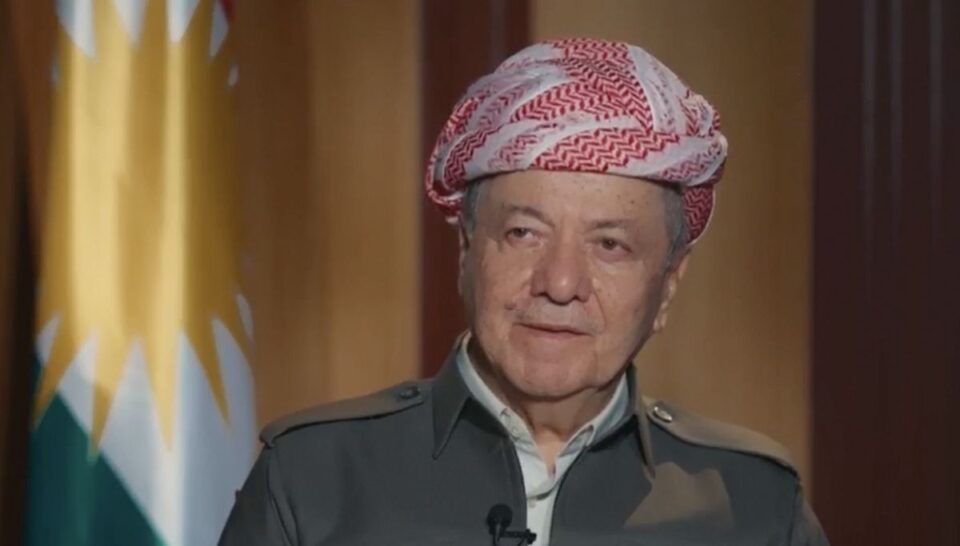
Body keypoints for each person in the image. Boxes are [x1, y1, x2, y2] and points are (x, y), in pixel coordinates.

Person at [219, 38, 829, 546]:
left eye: (610, 245)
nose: (560, 284)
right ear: (466, 252)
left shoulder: (754, 505)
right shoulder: (312, 480)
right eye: (523, 233)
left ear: (668, 286)